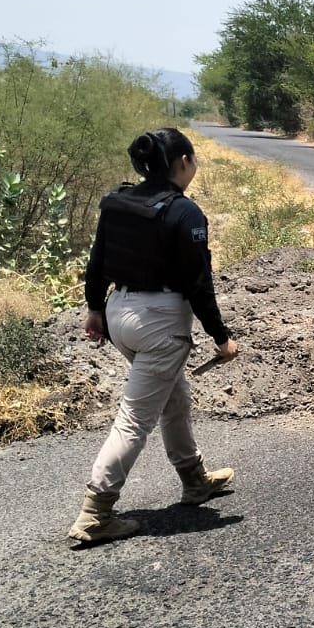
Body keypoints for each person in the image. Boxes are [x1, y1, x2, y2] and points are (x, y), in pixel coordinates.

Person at [68, 128, 240, 545]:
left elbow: (97, 259)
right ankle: (96, 513)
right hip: (159, 325)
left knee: (174, 396)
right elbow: (199, 284)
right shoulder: (186, 213)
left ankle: (194, 480)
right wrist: (222, 338)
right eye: (193, 159)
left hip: (118, 316)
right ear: (182, 162)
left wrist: (94, 308)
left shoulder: (117, 201)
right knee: (134, 420)